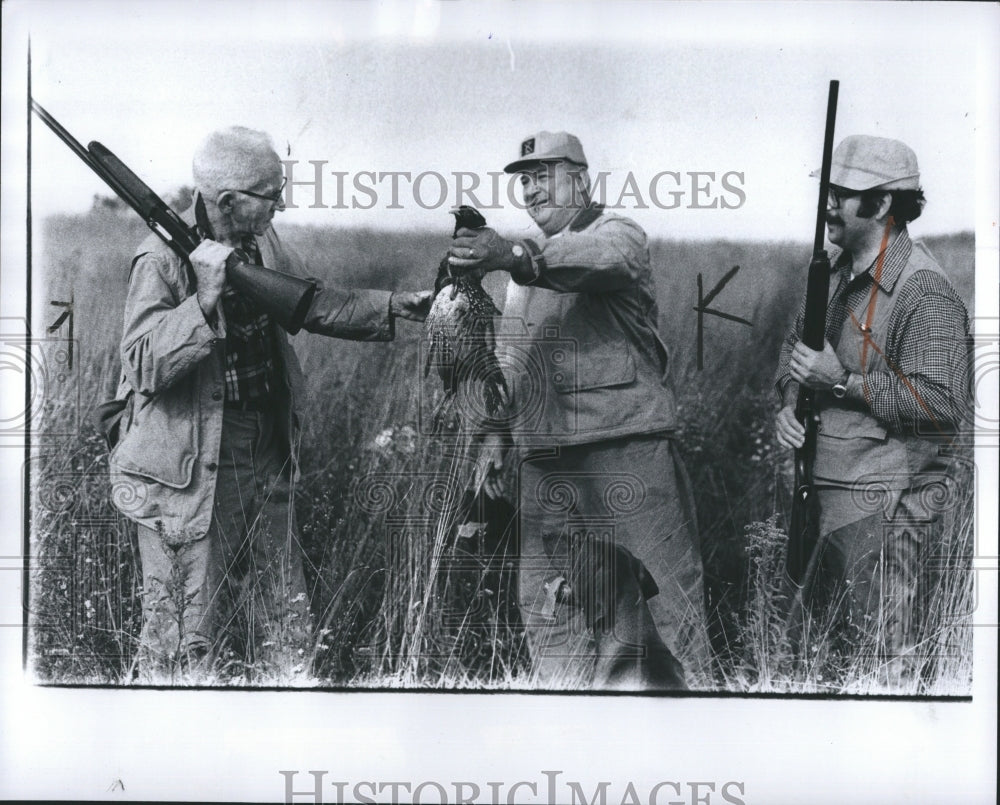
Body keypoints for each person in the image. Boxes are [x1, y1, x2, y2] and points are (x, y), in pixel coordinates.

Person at [108, 126, 431, 677]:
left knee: (284, 616)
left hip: (266, 443)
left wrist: (397, 305)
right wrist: (203, 301)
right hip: (193, 458)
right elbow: (140, 363)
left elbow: (310, 302)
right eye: (271, 193)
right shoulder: (159, 258)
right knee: (185, 632)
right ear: (229, 201)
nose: (281, 202)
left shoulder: (263, 242)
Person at [447, 131, 711, 690]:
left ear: (582, 180)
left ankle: (690, 735)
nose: (531, 188)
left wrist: (513, 255)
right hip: (545, 462)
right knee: (551, 615)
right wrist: (495, 435)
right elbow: (509, 360)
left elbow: (593, 260)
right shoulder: (525, 272)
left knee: (665, 609)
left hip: (626, 451)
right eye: (524, 178)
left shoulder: (616, 236)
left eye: (545, 174)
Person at [774, 135, 971, 681]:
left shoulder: (924, 289)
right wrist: (790, 402)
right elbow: (795, 358)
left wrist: (841, 383)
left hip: (882, 504)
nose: (828, 204)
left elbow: (942, 405)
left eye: (843, 193)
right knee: (828, 654)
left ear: (882, 205)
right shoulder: (833, 271)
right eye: (827, 191)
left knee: (879, 662)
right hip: (823, 492)